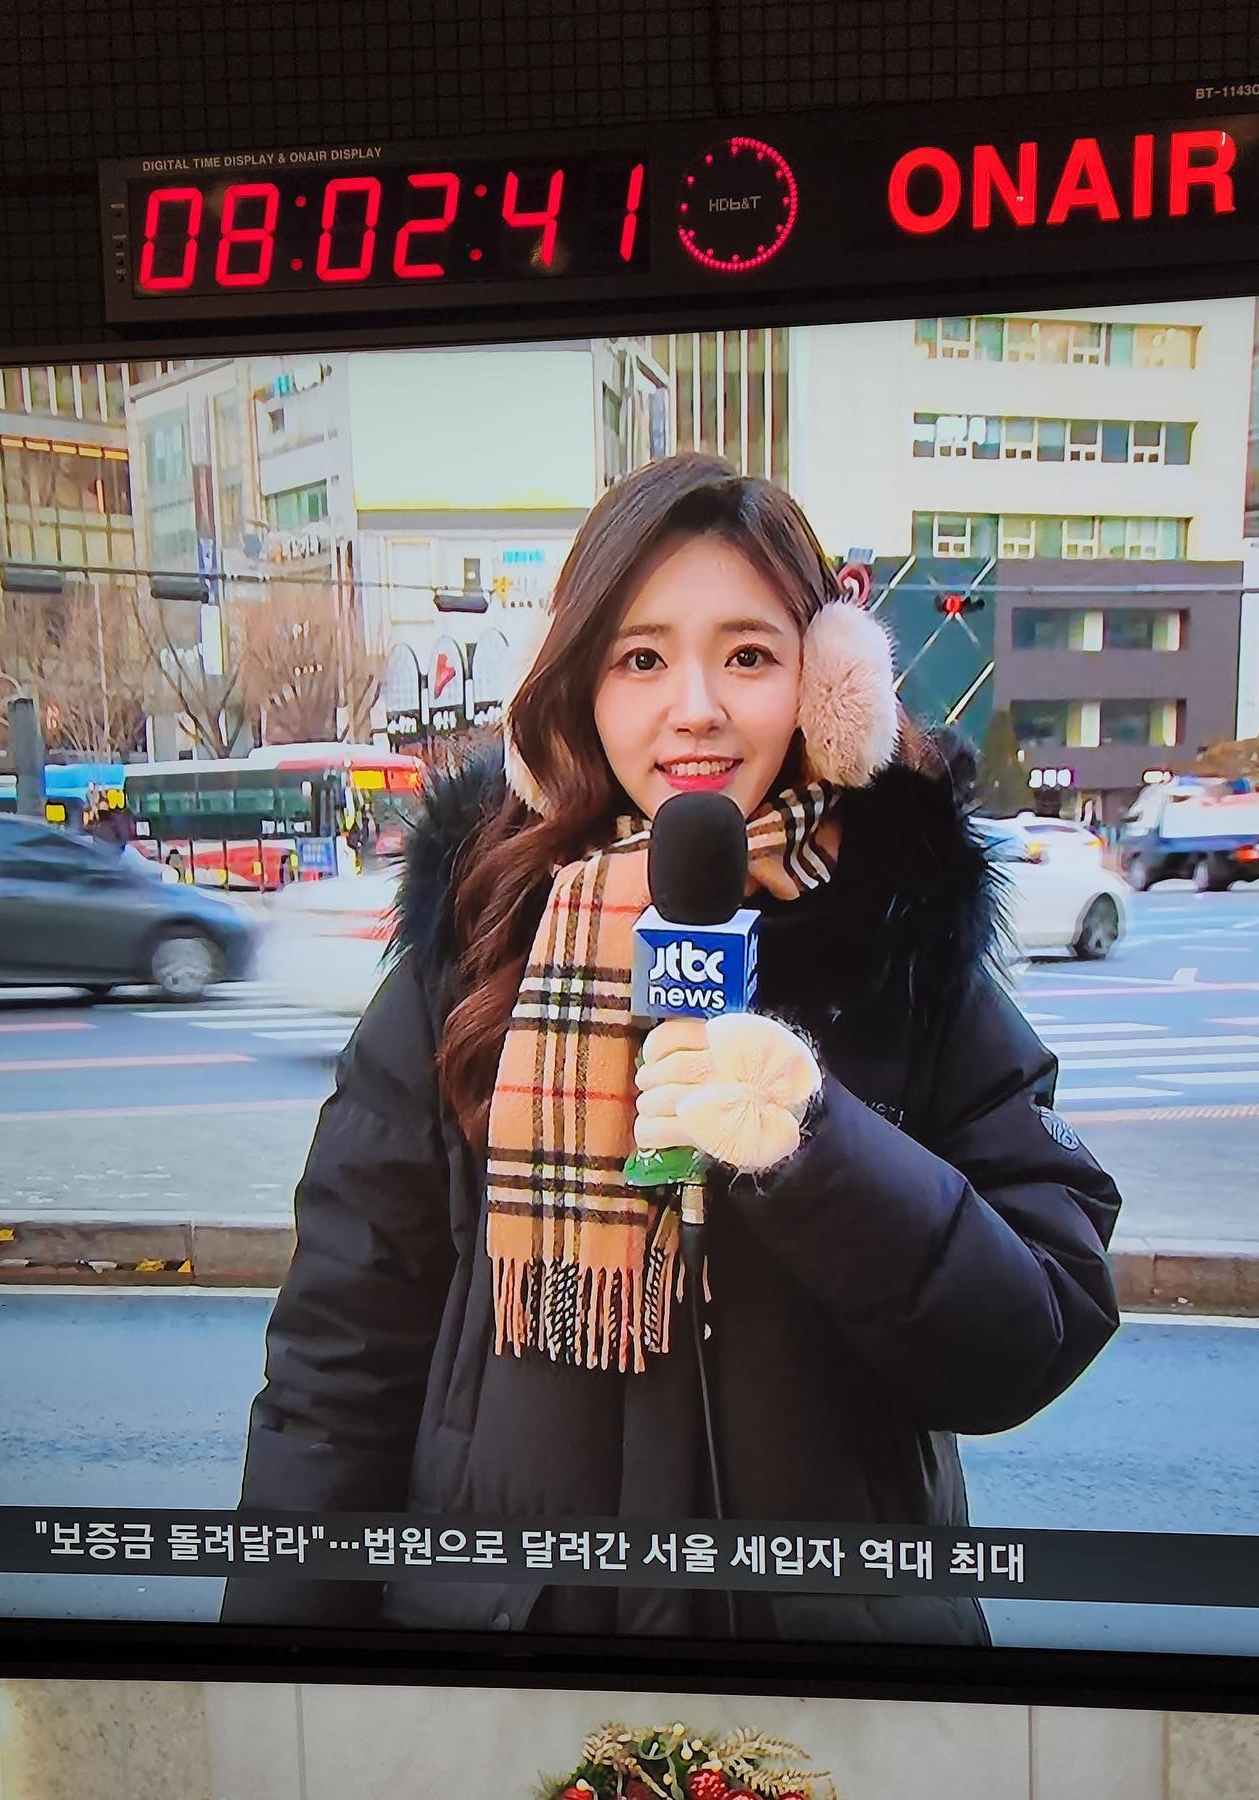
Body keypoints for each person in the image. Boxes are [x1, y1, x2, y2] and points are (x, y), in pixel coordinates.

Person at [224, 454, 1122, 1643]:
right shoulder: (477, 945)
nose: (694, 707)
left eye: (747, 655)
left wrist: (816, 1149)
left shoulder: (903, 945)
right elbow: (339, 1368)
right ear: (575, 688)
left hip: (833, 1673)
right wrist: (276, 1664)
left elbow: (1032, 1332)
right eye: (641, 659)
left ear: (828, 683)